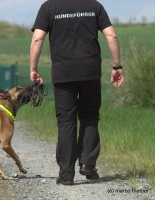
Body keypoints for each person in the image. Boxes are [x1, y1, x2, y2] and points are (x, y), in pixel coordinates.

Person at [30, 0, 124, 185]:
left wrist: (33, 68)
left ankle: (66, 174)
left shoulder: (49, 7)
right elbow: (111, 35)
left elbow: (37, 38)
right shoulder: (94, 6)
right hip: (90, 72)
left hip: (63, 73)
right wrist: (117, 66)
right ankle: (88, 164)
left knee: (66, 120)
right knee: (89, 116)